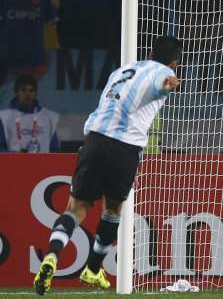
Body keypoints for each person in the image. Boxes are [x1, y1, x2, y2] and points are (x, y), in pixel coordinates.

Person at [32, 36, 182, 295]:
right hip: (125, 148)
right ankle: (92, 266)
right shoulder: (166, 72)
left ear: (149, 51)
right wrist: (170, 83)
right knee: (112, 209)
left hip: (94, 140)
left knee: (75, 209)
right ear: (175, 62)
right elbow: (163, 82)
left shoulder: (122, 70)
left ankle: (53, 255)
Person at [0, 74, 60, 152]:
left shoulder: (47, 117)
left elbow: (54, 149)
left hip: (42, 164)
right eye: (23, 90)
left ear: (35, 93)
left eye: (31, 90)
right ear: (16, 92)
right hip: (13, 163)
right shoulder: (4, 117)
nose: (27, 93)